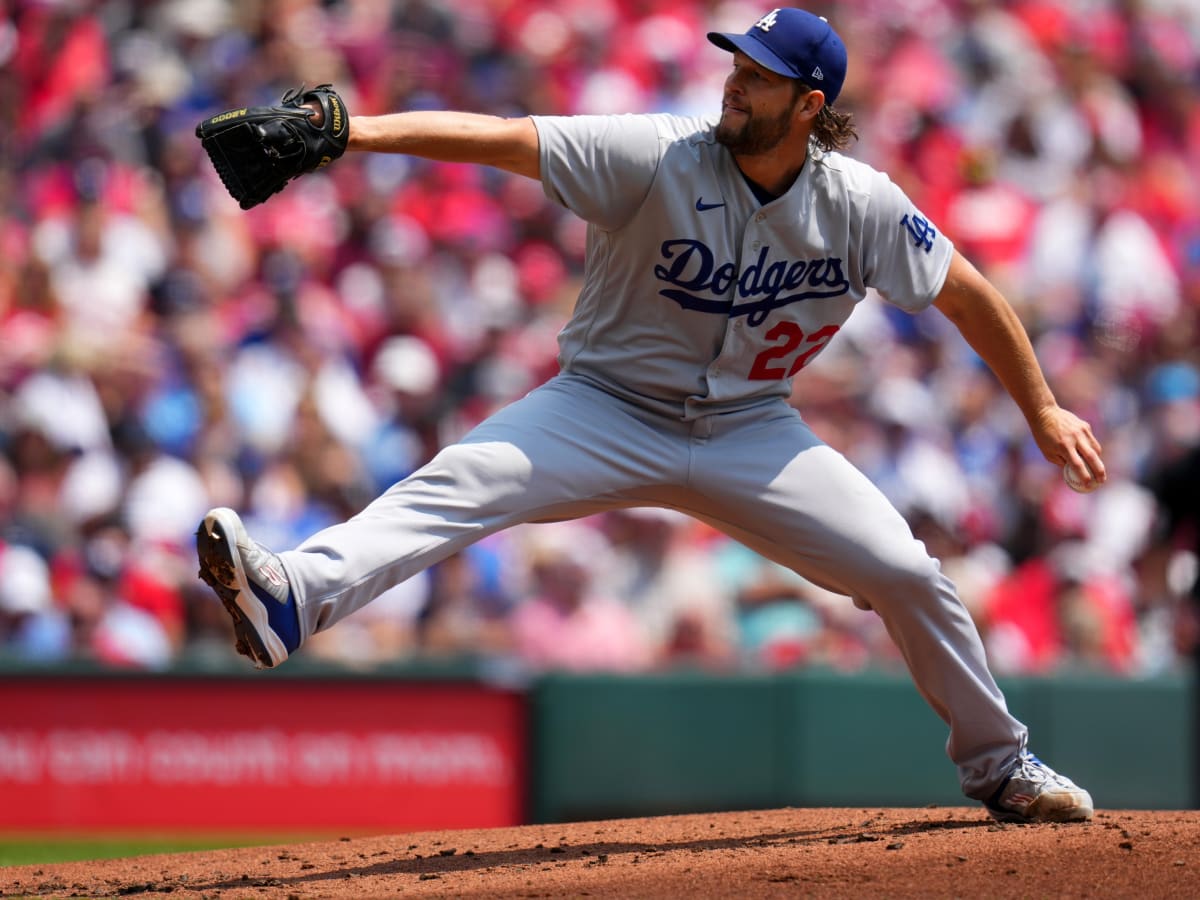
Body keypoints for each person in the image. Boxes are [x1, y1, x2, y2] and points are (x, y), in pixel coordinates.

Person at [196, 8, 1106, 824]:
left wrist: (1043, 407)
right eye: (736, 66)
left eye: (757, 76)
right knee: (460, 483)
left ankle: (1001, 766)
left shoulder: (859, 203)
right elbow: (505, 140)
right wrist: (350, 132)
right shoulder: (661, 152)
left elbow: (967, 293)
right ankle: (293, 600)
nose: (733, 82)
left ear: (808, 103)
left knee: (903, 570)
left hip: (753, 428)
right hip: (604, 407)